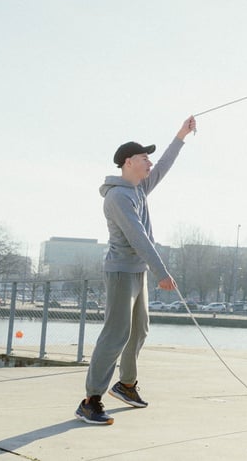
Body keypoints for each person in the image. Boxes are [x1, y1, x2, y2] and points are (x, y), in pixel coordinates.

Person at [74, 116, 197, 425]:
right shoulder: (118, 196)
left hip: (137, 272)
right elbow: (138, 237)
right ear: (128, 162)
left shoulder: (138, 188)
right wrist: (162, 272)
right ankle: (90, 400)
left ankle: (126, 385)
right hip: (121, 273)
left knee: (139, 329)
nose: (150, 163)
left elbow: (164, 166)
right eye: (144, 158)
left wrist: (181, 136)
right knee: (116, 334)